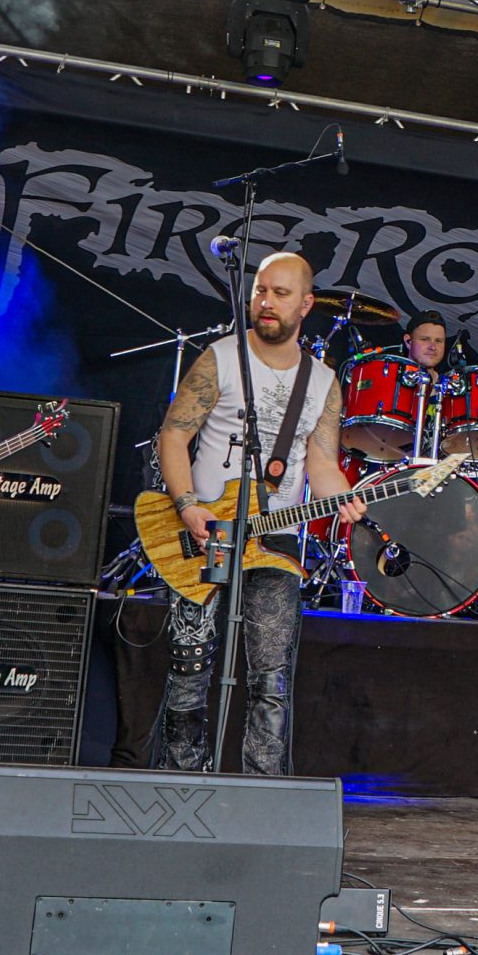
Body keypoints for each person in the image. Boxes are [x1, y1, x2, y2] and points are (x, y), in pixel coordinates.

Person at [153, 251, 363, 775]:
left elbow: (322, 463)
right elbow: (173, 436)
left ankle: (263, 788)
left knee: (272, 675)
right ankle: (179, 778)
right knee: (190, 662)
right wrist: (187, 506)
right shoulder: (220, 357)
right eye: (261, 291)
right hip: (206, 531)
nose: (266, 302)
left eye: (280, 294)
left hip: (277, 537)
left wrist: (344, 498)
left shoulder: (323, 382)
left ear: (306, 305)